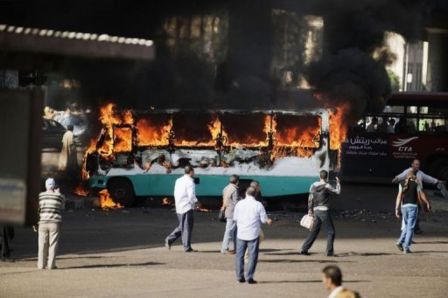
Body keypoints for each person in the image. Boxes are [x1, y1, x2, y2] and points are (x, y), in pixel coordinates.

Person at [234, 187, 272, 284]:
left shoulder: (239, 204)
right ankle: (249, 277)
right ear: (255, 195)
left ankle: (239, 276)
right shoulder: (258, 205)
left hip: (241, 232)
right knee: (252, 256)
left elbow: (235, 218)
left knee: (239, 256)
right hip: (253, 233)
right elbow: (263, 220)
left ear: (246, 193)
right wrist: (268, 220)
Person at [392, 159, 442, 233]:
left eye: (418, 164)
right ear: (412, 165)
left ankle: (414, 229)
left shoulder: (420, 175)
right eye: (415, 164)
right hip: (407, 199)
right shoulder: (407, 173)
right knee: (408, 218)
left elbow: (427, 179)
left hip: (416, 199)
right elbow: (401, 176)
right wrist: (396, 178)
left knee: (416, 215)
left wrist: (436, 181)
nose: (417, 166)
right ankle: (406, 233)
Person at [300, 171, 341, 256]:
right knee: (331, 232)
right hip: (324, 210)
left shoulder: (313, 185)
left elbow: (310, 199)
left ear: (320, 176)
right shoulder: (327, 186)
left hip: (316, 211)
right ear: (327, 177)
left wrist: (310, 211)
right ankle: (329, 252)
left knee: (314, 231)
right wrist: (338, 183)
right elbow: (337, 192)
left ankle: (304, 249)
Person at [165, 166, 199, 252]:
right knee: (187, 227)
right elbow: (191, 195)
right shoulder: (190, 182)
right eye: (193, 171)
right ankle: (187, 247)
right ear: (191, 172)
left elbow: (175, 193)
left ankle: (169, 239)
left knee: (182, 226)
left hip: (179, 207)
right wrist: (196, 203)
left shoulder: (178, 180)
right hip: (187, 207)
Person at [395, 170, 431, 254]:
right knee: (411, 227)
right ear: (414, 176)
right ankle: (406, 247)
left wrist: (396, 209)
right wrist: (427, 203)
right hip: (413, 207)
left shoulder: (401, 183)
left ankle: (400, 242)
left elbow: (399, 196)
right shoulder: (416, 183)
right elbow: (421, 195)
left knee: (407, 225)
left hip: (404, 207)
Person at [38, 178, 65, 269]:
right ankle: (51, 265)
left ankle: (41, 265)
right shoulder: (59, 196)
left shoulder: (40, 196)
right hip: (55, 222)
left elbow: (38, 209)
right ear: (54, 186)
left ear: (46, 186)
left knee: (42, 244)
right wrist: (58, 193)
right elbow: (62, 207)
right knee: (52, 244)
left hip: (42, 222)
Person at [220, 175, 240, 254]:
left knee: (233, 231)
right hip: (233, 212)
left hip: (227, 211)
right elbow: (236, 202)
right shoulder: (234, 189)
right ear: (237, 181)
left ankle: (236, 247)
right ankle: (224, 248)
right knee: (229, 231)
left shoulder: (226, 188)